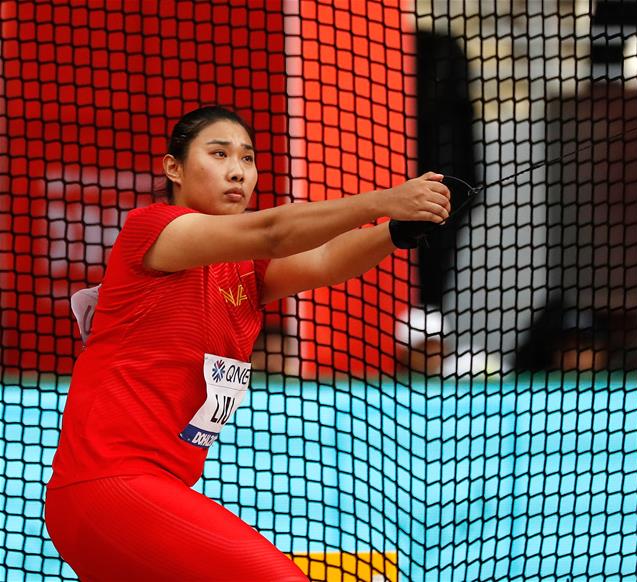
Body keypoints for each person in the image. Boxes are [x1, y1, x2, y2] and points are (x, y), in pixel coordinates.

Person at [43, 105, 451, 580]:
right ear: (172, 167)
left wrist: (395, 232)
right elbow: (273, 232)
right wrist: (386, 200)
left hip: (146, 496)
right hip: (112, 487)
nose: (237, 170)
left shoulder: (242, 269)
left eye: (248, 158)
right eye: (219, 154)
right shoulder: (153, 228)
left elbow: (323, 261)